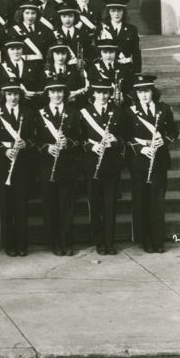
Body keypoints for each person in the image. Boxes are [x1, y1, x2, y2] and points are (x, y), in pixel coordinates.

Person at [125, 74, 180, 253]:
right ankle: (146, 240)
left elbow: (173, 131)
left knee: (157, 202)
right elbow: (125, 137)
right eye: (140, 91)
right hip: (139, 160)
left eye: (146, 91)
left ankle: (158, 240)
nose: (143, 95)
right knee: (141, 202)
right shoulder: (129, 111)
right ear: (136, 93)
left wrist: (163, 140)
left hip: (159, 160)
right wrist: (141, 149)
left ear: (152, 91)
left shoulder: (164, 109)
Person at [34, 78, 81, 256]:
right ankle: (53, 242)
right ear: (47, 94)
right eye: (53, 92)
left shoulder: (74, 113)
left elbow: (79, 137)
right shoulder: (39, 113)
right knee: (50, 205)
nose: (56, 95)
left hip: (67, 166)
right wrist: (47, 147)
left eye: (60, 91)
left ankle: (66, 242)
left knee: (66, 206)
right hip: (47, 166)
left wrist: (67, 142)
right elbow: (35, 140)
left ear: (65, 93)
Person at [79, 79, 124, 256]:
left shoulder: (118, 112)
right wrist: (91, 146)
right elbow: (79, 137)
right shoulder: (84, 113)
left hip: (111, 164)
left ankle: (109, 241)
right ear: (93, 94)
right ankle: (98, 241)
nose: (103, 96)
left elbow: (125, 136)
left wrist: (116, 140)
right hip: (92, 164)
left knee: (110, 204)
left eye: (106, 92)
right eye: (99, 92)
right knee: (95, 204)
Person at [0, 82, 36, 257]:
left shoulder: (29, 112)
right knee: (6, 204)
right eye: (9, 94)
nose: (13, 97)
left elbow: (35, 136)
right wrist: (4, 150)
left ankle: (21, 244)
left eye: (16, 94)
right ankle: (8, 244)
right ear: (4, 95)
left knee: (21, 204)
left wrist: (27, 143)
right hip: (3, 163)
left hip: (23, 162)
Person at [98, 0, 143, 73]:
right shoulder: (101, 28)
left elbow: (136, 53)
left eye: (119, 10)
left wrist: (137, 72)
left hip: (125, 67)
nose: (116, 14)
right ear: (108, 12)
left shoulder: (132, 29)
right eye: (113, 10)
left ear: (124, 12)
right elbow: (97, 50)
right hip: (106, 68)